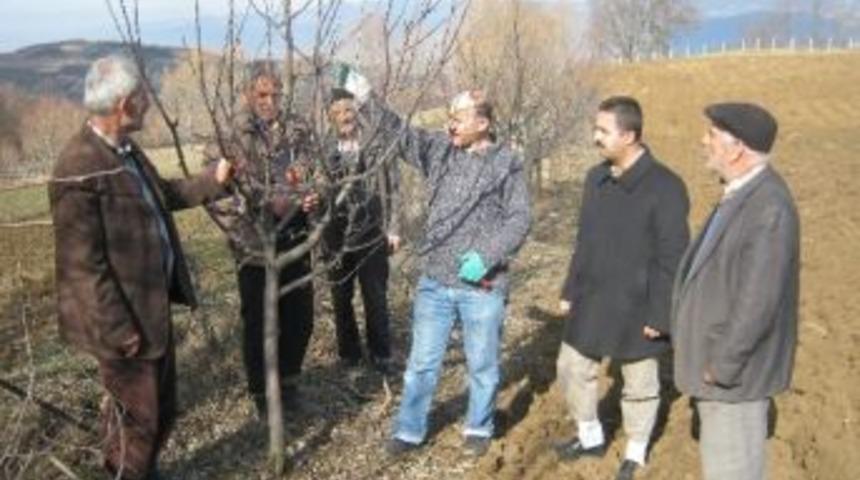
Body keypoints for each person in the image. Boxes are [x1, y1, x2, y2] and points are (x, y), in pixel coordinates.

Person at [49, 54, 233, 480]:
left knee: (161, 411)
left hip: (151, 308)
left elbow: (164, 194)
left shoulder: (127, 152)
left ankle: (143, 471)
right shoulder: (77, 168)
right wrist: (119, 332)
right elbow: (82, 267)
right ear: (125, 103)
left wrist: (213, 181)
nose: (150, 102)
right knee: (137, 423)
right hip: (123, 326)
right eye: (144, 96)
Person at [334, 67, 531, 458]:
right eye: (450, 115)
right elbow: (399, 132)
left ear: (483, 123)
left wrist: (488, 257)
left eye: (458, 117)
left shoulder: (506, 163)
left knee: (482, 364)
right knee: (422, 364)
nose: (450, 123)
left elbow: (519, 218)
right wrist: (365, 96)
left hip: (482, 287)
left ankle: (479, 425)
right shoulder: (439, 150)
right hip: (435, 282)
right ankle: (409, 430)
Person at [554, 96, 690, 480]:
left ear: (629, 135)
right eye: (595, 129)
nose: (595, 137)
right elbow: (585, 241)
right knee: (570, 367)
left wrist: (661, 314)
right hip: (593, 295)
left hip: (640, 304)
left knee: (639, 383)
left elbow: (672, 257)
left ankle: (635, 451)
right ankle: (590, 435)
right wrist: (569, 288)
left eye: (603, 131)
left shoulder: (666, 186)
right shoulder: (595, 179)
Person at [671, 102, 799, 480]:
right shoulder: (741, 194)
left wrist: (722, 366)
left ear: (737, 147)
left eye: (711, 134)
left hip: (734, 381)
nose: (703, 140)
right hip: (722, 376)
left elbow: (758, 300)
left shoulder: (767, 206)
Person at [205, 63, 318, 417]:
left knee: (300, 315)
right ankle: (262, 394)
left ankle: (290, 383)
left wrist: (313, 194)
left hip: (295, 233)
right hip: (253, 241)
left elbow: (315, 170)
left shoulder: (298, 127)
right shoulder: (229, 136)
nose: (270, 101)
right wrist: (253, 210)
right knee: (260, 320)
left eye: (276, 94)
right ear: (247, 95)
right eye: (262, 95)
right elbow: (215, 192)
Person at [321, 88, 400, 374]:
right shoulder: (322, 149)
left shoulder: (376, 144)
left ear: (357, 112)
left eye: (349, 110)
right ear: (330, 117)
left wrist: (393, 227)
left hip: (372, 233)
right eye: (338, 112)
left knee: (375, 297)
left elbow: (393, 186)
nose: (345, 117)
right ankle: (349, 354)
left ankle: (381, 354)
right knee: (341, 299)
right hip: (335, 238)